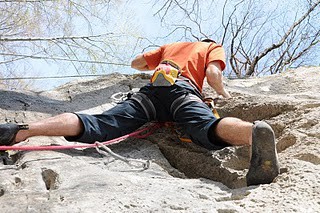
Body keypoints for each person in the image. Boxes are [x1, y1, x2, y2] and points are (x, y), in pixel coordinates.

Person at [0, 39, 279, 186]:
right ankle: (254, 134)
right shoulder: (210, 47)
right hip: (183, 92)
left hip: (151, 93)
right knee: (206, 127)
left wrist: (156, 60)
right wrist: (223, 93)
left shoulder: (171, 46)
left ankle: (22, 131)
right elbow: (213, 72)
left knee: (99, 123)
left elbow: (136, 63)